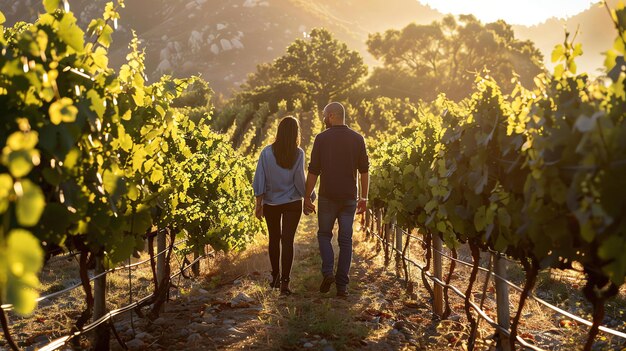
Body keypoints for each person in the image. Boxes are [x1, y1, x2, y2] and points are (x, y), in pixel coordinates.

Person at [303, 102, 369, 297]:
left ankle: (327, 272)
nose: (323, 119)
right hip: (349, 197)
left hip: (328, 196)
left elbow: (314, 170)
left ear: (331, 115)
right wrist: (364, 197)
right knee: (346, 240)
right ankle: (342, 287)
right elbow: (364, 171)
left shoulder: (321, 139)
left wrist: (307, 196)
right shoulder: (358, 139)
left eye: (324, 115)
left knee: (324, 235)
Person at [253, 116, 313, 296]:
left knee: (274, 239)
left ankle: (275, 278)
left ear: (279, 131)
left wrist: (258, 203)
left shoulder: (266, 152)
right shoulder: (299, 153)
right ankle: (285, 283)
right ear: (296, 133)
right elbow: (300, 181)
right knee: (288, 241)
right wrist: (309, 198)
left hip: (271, 202)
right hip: (293, 202)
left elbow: (259, 179)